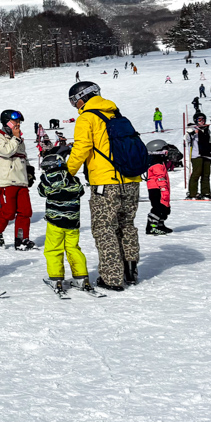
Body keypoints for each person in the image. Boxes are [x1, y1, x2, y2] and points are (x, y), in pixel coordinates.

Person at [66, 81, 142, 291]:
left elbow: (82, 148)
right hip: (131, 180)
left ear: (83, 97)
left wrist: (67, 172)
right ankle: (130, 271)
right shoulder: (116, 115)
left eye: (74, 101)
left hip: (104, 183)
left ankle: (112, 278)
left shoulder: (87, 117)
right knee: (127, 225)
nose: (75, 105)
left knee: (104, 228)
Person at [37, 151, 94, 294]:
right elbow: (80, 191)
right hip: (73, 222)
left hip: (55, 222)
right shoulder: (73, 179)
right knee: (73, 248)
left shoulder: (46, 179)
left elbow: (41, 192)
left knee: (53, 249)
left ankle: (56, 279)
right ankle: (81, 277)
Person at [0, 110, 34, 249]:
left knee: (25, 212)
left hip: (21, 180)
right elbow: (6, 151)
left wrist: (29, 170)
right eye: (15, 122)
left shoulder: (19, 139)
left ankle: (21, 239)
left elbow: (23, 156)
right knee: (8, 212)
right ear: (7, 122)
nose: (18, 125)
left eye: (19, 122)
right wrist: (15, 138)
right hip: (7, 181)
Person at [186, 112, 211, 199]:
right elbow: (187, 139)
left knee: (206, 174)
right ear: (196, 120)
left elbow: (210, 141)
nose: (202, 121)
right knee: (196, 173)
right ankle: (193, 193)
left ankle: (205, 192)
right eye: (199, 120)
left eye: (203, 119)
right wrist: (192, 133)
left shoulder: (207, 129)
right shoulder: (191, 129)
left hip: (207, 154)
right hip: (197, 154)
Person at [145, 144, 173, 236]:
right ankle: (152, 227)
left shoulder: (160, 163)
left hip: (159, 188)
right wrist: (163, 189)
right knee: (158, 207)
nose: (166, 154)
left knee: (165, 208)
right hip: (156, 189)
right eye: (165, 152)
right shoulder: (156, 164)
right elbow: (160, 178)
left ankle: (160, 225)